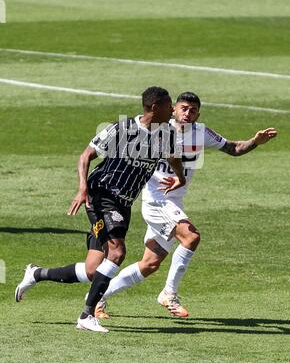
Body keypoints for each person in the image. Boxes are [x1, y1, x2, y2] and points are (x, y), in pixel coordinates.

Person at [15, 86, 186, 333]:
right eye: (169, 105)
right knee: (117, 253)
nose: (173, 109)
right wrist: (82, 188)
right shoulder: (122, 128)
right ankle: (86, 315)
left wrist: (179, 177)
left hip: (124, 203)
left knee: (93, 270)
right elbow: (86, 156)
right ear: (154, 107)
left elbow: (173, 158)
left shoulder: (168, 133)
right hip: (102, 196)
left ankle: (36, 274)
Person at [93, 92, 278, 318]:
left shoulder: (201, 132)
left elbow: (234, 148)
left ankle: (98, 298)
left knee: (150, 264)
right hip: (156, 199)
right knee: (191, 237)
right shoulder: (158, 130)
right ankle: (169, 294)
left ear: (198, 114)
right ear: (173, 109)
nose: (187, 113)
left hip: (175, 202)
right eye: (183, 108)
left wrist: (255, 142)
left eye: (193, 110)